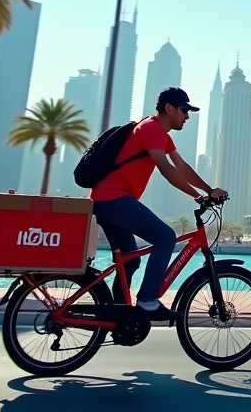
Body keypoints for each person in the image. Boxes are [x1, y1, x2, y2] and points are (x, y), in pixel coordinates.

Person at [90, 87, 227, 321]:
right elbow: (166, 169)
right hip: (113, 198)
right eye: (184, 110)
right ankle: (147, 300)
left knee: (131, 261)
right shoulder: (151, 128)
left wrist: (209, 190)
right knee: (165, 237)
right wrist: (196, 196)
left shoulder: (162, 136)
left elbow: (182, 167)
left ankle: (117, 315)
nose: (187, 116)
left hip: (111, 200)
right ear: (169, 108)